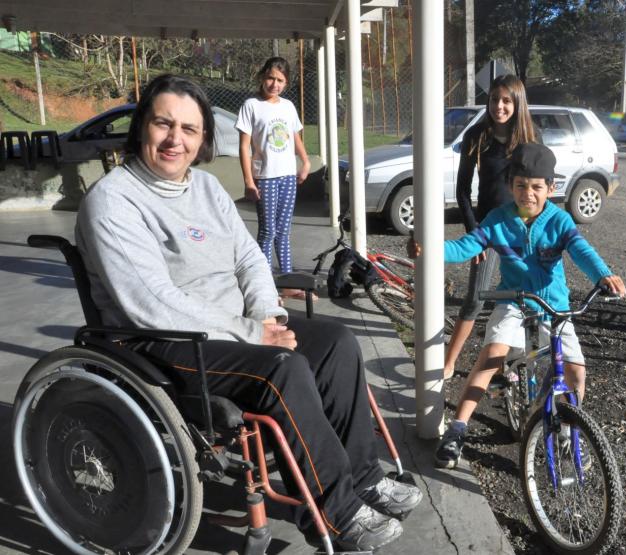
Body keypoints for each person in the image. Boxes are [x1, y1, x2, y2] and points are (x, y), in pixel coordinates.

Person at [75, 74, 420, 551]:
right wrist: (250, 333)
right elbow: (149, 300)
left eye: (189, 129)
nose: (176, 139)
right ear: (141, 129)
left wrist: (268, 316)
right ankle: (335, 515)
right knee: (283, 369)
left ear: (202, 140)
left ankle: (361, 479)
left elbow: (248, 258)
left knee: (337, 342)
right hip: (160, 340)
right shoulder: (112, 201)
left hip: (232, 326)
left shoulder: (209, 189)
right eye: (163, 124)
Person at [410, 143, 626, 469]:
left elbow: (581, 250)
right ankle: (457, 429)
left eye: (537, 187)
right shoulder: (497, 220)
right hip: (512, 300)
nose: (529, 193)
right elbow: (464, 247)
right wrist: (431, 248)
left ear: (551, 188)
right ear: (511, 185)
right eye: (521, 186)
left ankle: (566, 432)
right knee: (492, 354)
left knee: (576, 373)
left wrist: (604, 275)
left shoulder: (560, 220)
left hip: (553, 305)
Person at [445, 74, 538, 380]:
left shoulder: (529, 139)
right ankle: (448, 364)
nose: (499, 106)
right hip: (486, 229)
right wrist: (475, 234)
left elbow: (537, 190)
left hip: (520, 230)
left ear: (517, 103)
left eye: (506, 100)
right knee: (475, 298)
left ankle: (509, 362)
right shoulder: (476, 136)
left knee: (522, 298)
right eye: (494, 99)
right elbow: (462, 191)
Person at [236, 57, 311, 276]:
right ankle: (265, 283)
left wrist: (305, 161)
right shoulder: (251, 106)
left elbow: (295, 136)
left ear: (286, 83)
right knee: (268, 231)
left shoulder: (288, 107)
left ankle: (287, 281)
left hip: (288, 177)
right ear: (262, 77)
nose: (274, 84)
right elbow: (244, 147)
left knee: (283, 232)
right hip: (265, 178)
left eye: (280, 80)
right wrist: (249, 182)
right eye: (270, 78)